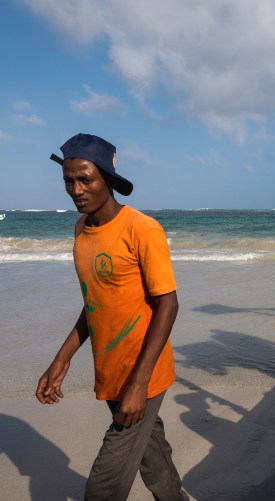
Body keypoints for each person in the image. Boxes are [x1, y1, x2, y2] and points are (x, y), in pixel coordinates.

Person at [36, 134, 188, 500]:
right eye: (69, 181)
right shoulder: (81, 231)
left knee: (103, 487)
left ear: (108, 179)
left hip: (142, 374)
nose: (76, 189)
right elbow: (95, 304)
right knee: (153, 460)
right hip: (109, 370)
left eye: (85, 179)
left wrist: (139, 384)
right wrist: (62, 359)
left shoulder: (142, 229)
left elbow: (168, 304)